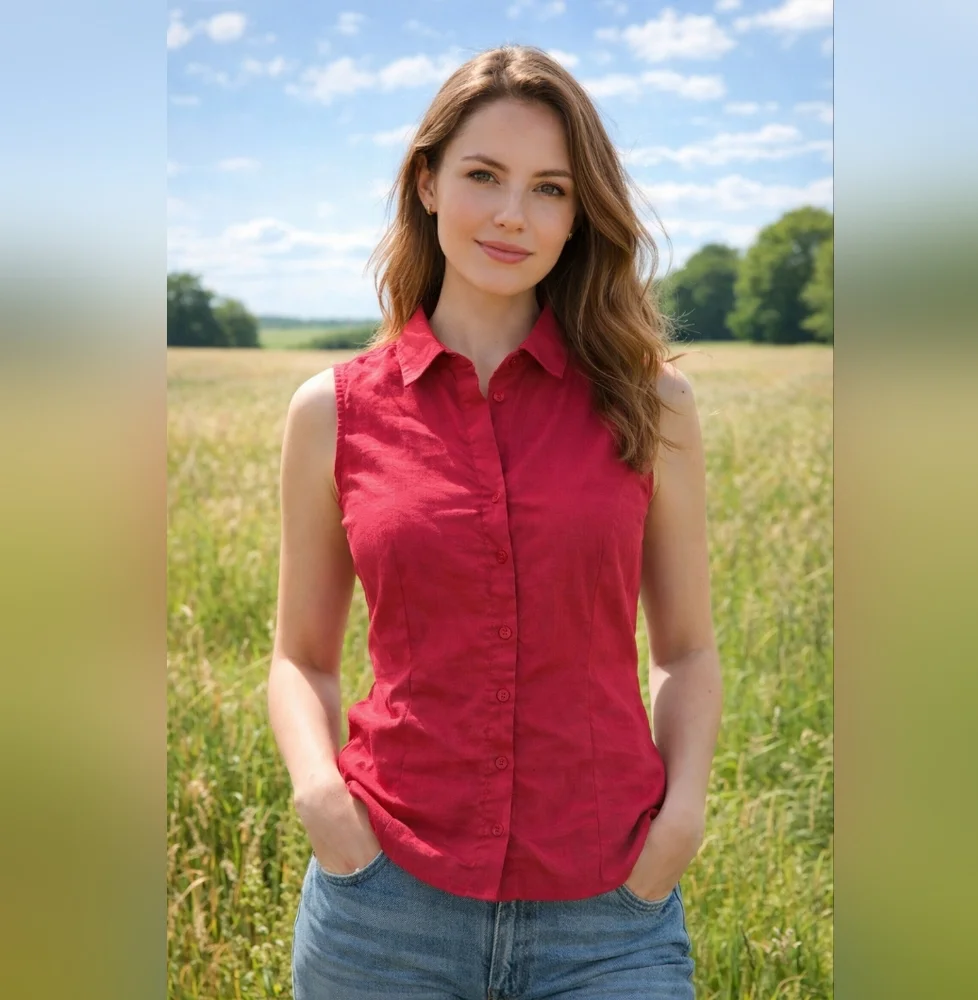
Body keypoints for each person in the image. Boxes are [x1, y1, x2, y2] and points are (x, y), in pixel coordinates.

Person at [268, 43, 723, 1000]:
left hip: (610, 914)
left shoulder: (653, 405)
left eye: (550, 189)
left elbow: (684, 648)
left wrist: (677, 826)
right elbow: (300, 657)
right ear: (428, 183)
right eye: (484, 176)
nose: (514, 214)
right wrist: (324, 805)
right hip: (383, 906)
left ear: (577, 217)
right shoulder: (333, 411)